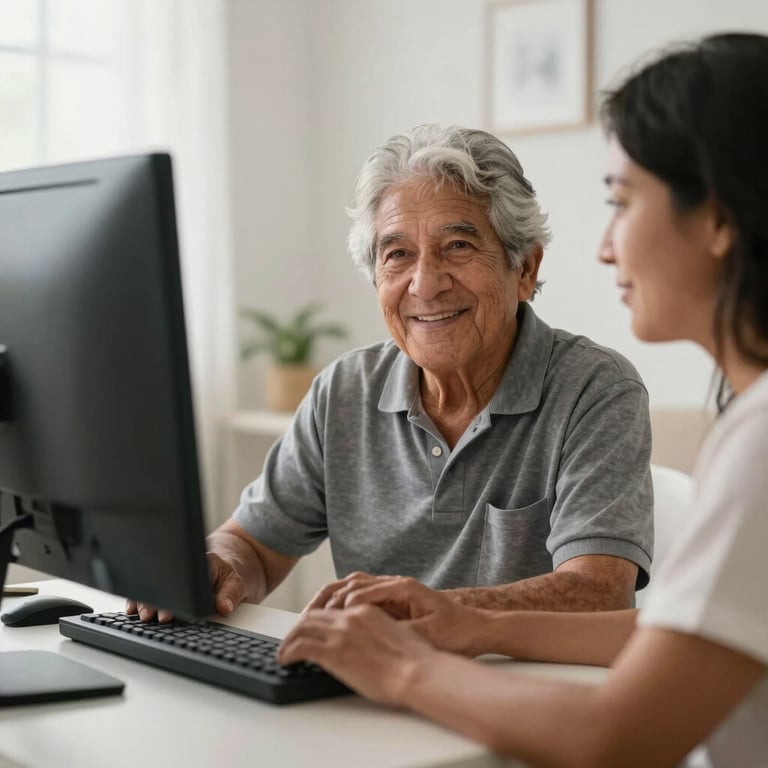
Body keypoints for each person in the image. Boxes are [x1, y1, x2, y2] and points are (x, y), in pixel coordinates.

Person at [277, 33, 768, 768]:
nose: (605, 247)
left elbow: (618, 737)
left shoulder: (757, 440)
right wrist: (459, 618)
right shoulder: (749, 423)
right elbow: (659, 631)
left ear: (720, 221)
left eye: (622, 202)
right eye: (397, 254)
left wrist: (404, 667)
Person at [131, 125, 653, 622]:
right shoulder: (344, 391)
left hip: (523, 697)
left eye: (459, 246)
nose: (425, 284)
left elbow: (599, 592)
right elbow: (252, 547)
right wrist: (218, 565)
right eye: (398, 254)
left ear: (525, 268)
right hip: (370, 694)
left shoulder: (595, 389)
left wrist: (428, 610)